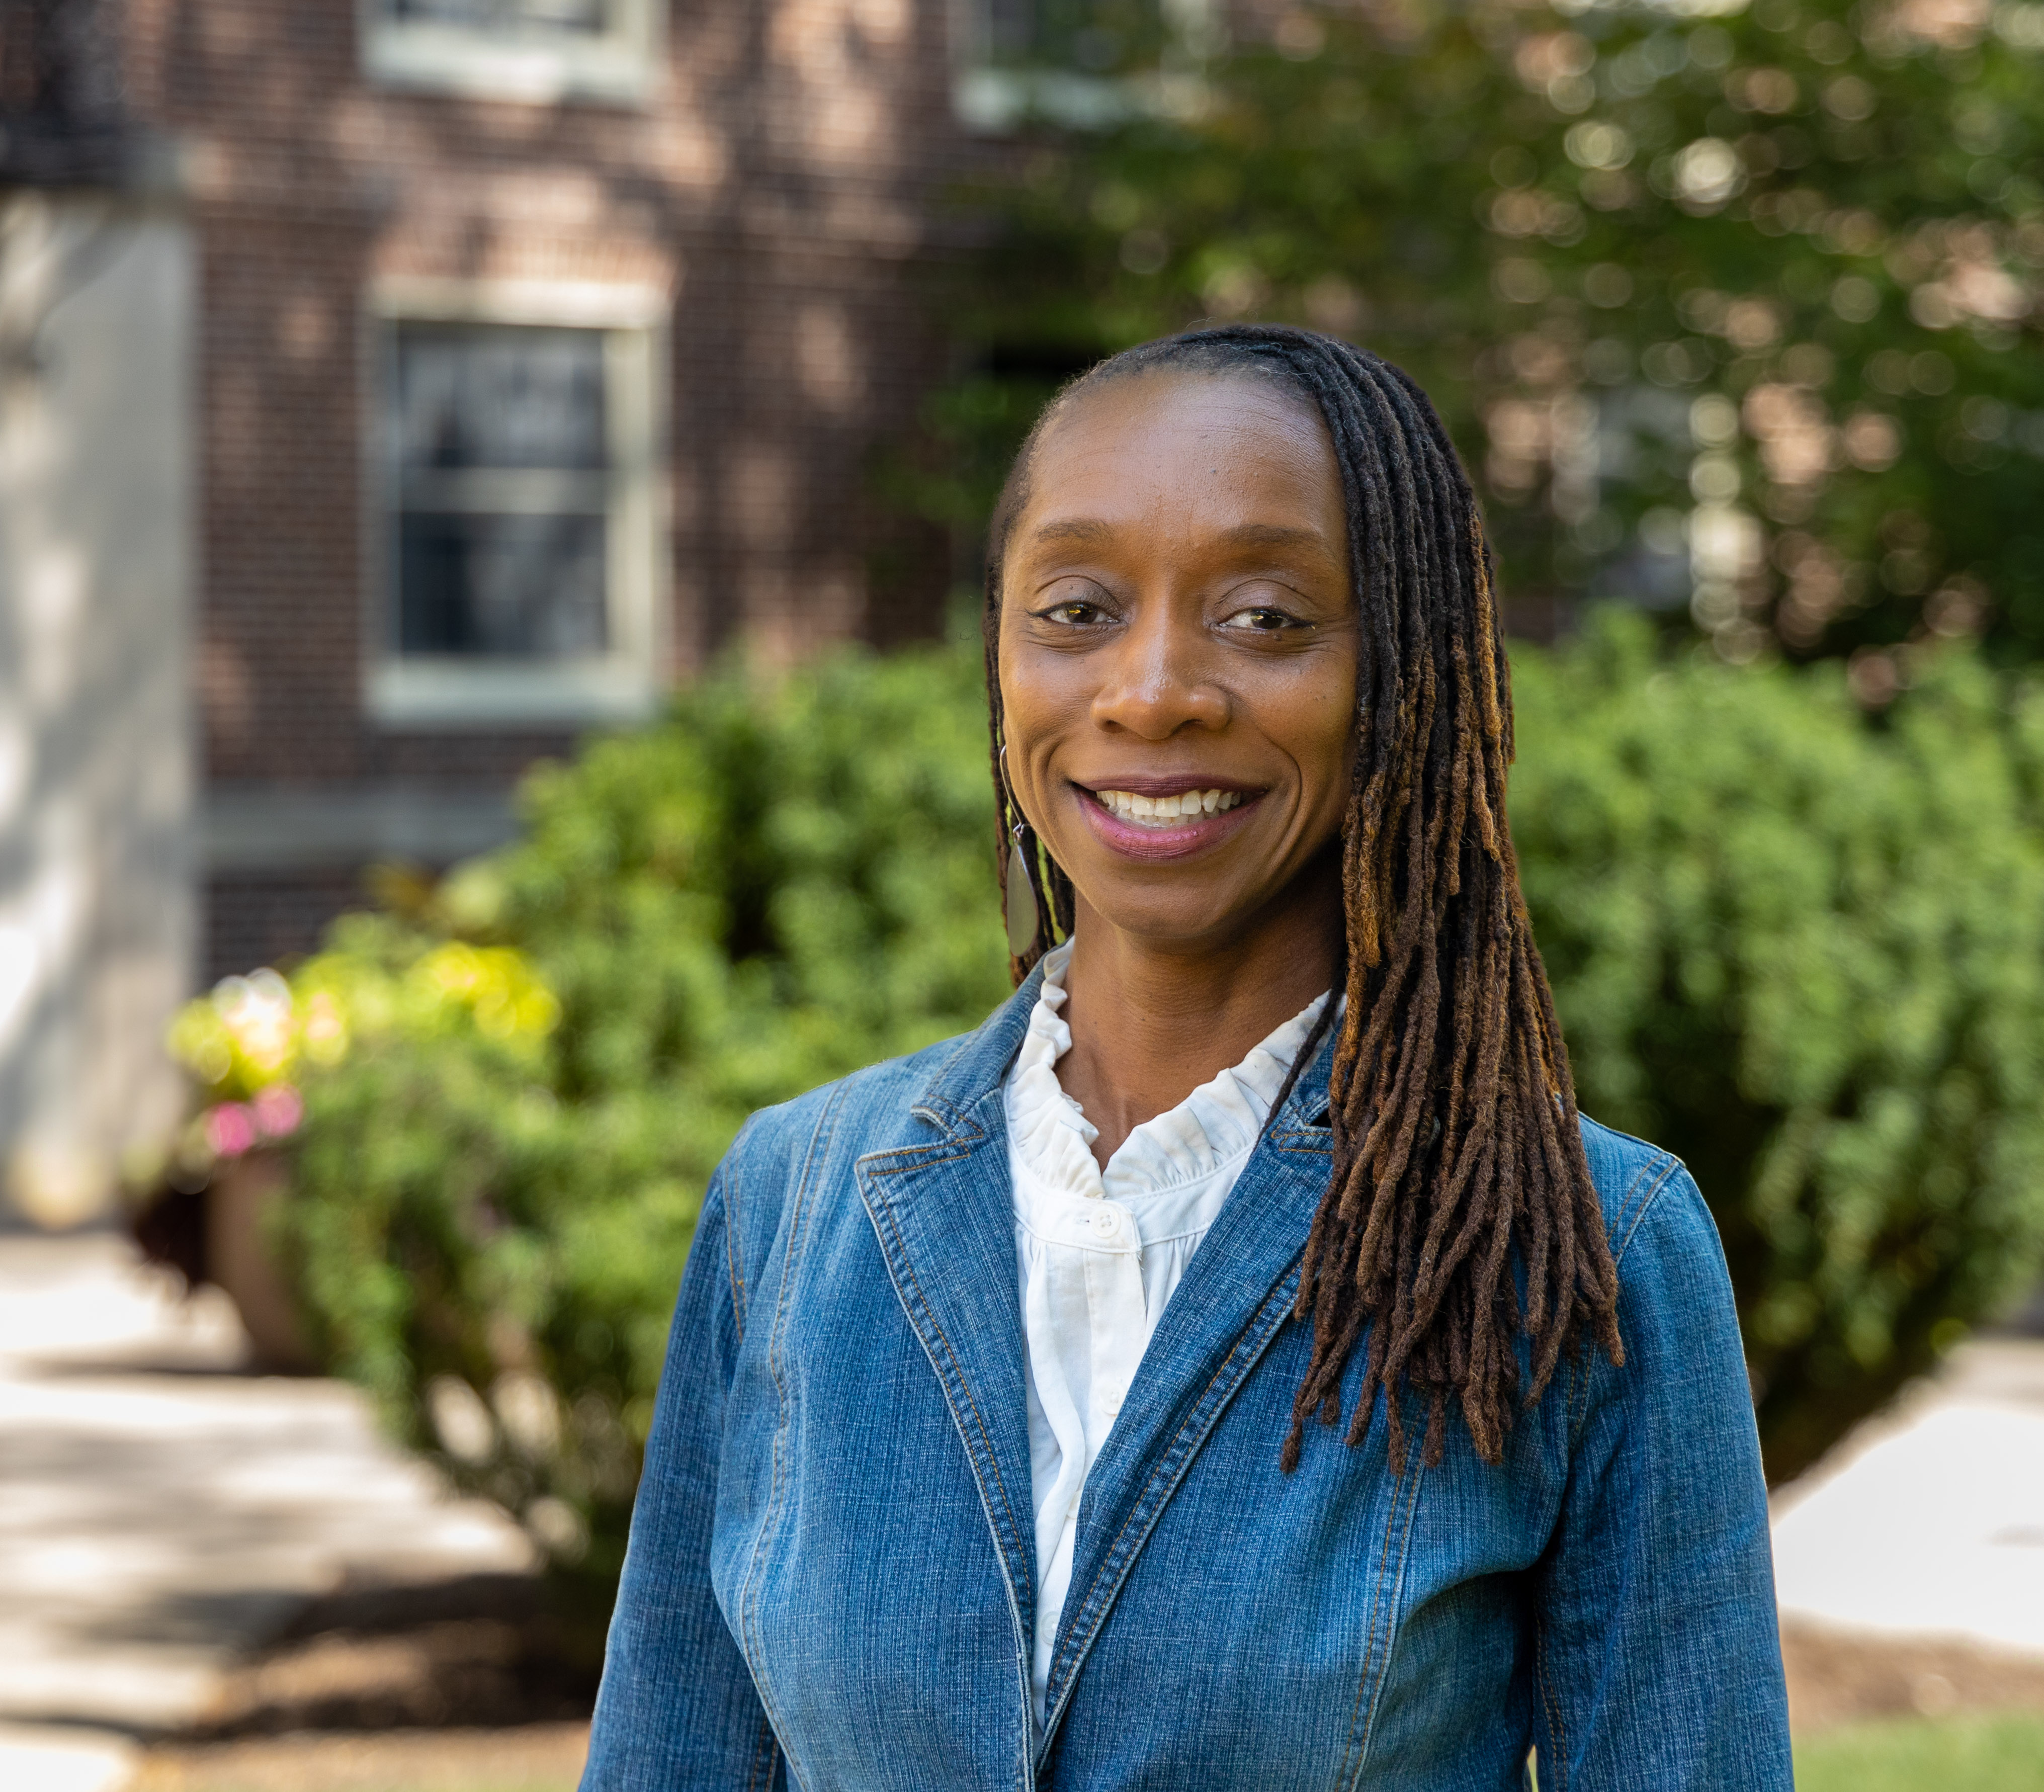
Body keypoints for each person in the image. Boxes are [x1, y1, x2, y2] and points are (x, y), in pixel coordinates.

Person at [581, 325, 1791, 1790]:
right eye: (1077, 608)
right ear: (1002, 658)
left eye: (1269, 618)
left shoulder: (1583, 1246)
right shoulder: (793, 1202)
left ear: (1403, 677)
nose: (1153, 690)